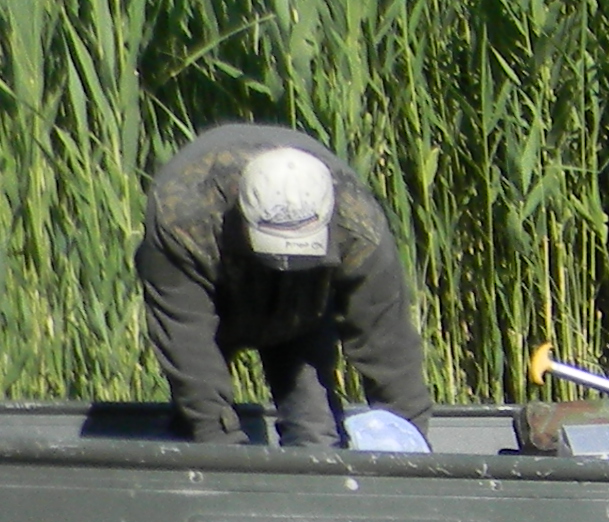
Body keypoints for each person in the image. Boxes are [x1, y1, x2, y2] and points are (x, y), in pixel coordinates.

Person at [134, 124, 435, 448]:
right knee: (204, 426)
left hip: (304, 302)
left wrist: (407, 437)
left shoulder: (359, 228)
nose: (284, 265)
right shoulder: (182, 217)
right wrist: (217, 438)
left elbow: (388, 343)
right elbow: (187, 338)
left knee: (317, 433)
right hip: (213, 287)